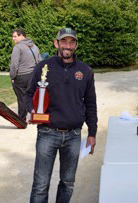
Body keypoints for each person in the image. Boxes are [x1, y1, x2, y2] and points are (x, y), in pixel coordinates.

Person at [25, 28, 98, 203]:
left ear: (76, 45)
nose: (68, 46)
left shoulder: (85, 71)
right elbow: (29, 94)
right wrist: (32, 110)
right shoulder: (43, 67)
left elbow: (90, 104)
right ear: (56, 43)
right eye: (64, 41)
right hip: (47, 133)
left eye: (71, 42)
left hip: (73, 136)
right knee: (40, 185)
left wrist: (92, 133)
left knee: (68, 183)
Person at [10, 28, 41, 120]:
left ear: (21, 36)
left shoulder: (18, 47)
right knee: (32, 96)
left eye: (15, 36)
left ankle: (22, 119)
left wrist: (12, 76)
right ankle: (35, 116)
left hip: (21, 76)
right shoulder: (34, 46)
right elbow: (39, 62)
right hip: (33, 76)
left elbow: (14, 64)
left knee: (21, 97)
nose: (13, 39)